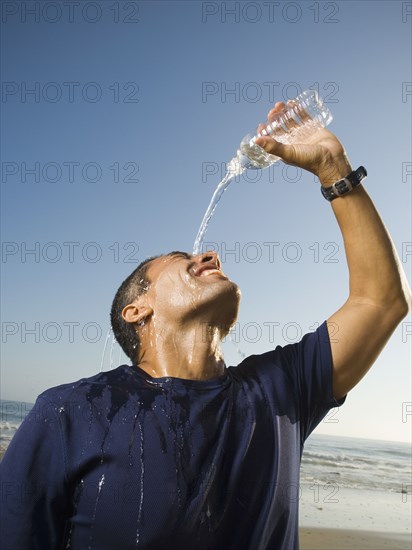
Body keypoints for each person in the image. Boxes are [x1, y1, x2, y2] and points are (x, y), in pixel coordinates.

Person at [0, 101, 410, 550]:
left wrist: (334, 169)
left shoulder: (282, 389)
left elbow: (382, 300)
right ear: (136, 310)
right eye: (181, 260)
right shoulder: (69, 411)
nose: (210, 257)